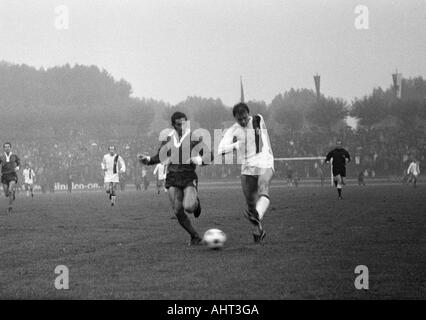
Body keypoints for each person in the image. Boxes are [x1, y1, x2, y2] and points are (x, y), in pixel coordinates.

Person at [138, 111, 213, 245]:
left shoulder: (194, 138)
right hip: (173, 178)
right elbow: (159, 157)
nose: (182, 126)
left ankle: (196, 204)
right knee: (178, 211)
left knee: (189, 207)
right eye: (179, 124)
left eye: (184, 123)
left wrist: (198, 159)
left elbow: (209, 156)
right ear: (173, 125)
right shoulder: (168, 139)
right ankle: (195, 236)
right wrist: (147, 159)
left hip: (188, 177)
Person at [218, 102, 274, 244]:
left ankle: (258, 215)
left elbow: (255, 125)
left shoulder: (257, 119)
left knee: (263, 186)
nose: (243, 121)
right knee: (250, 204)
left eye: (244, 117)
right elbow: (221, 149)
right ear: (235, 118)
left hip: (265, 161)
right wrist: (236, 145)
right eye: (239, 119)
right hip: (247, 167)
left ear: (248, 114)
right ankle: (259, 230)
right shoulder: (233, 130)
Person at [0, 142, 21, 213]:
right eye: (5, 147)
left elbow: (19, 163)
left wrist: (18, 167)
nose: (7, 148)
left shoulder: (14, 156)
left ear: (10, 147)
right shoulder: (1, 156)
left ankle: (10, 207)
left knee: (10, 190)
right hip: (4, 176)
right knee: (6, 194)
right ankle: (13, 192)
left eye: (8, 146)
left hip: (12, 175)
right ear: (4, 148)